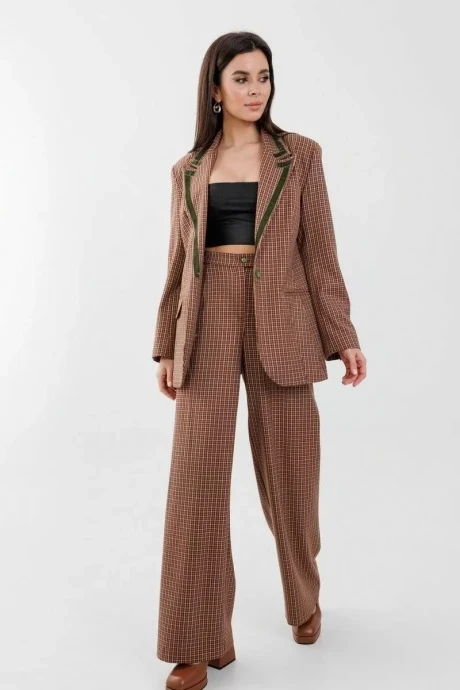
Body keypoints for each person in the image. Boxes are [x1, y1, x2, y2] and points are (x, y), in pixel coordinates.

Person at [151, 30, 367, 690]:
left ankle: (304, 598)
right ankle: (196, 641)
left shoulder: (300, 156)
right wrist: (165, 344)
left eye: (263, 76)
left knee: (293, 476)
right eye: (241, 78)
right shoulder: (189, 168)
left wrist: (343, 335)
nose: (255, 90)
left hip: (284, 324)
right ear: (215, 88)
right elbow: (178, 262)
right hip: (208, 319)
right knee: (196, 484)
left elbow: (319, 254)